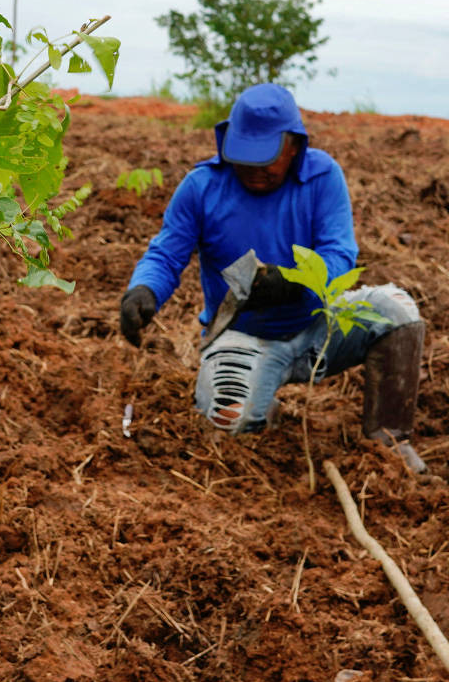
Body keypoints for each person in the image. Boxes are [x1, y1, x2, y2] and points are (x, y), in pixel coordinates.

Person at [117, 84, 425, 451]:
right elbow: (166, 255)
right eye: (245, 159)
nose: (254, 171)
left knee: (398, 313)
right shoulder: (201, 187)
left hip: (318, 327)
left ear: (293, 146)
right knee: (228, 420)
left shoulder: (322, 177)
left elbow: (340, 255)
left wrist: (297, 281)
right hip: (242, 334)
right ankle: (262, 402)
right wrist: (144, 289)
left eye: (266, 160)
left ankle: (389, 442)